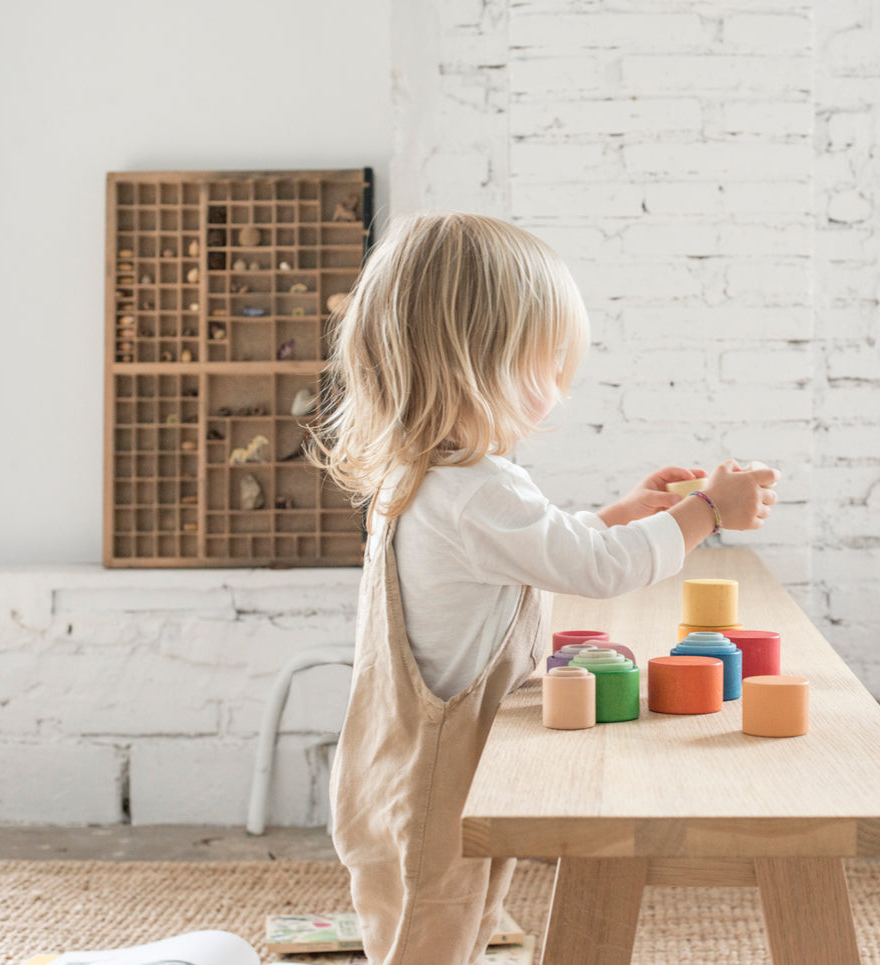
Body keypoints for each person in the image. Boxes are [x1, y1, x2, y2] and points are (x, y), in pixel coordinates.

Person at [312, 211, 778, 965]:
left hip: (396, 753)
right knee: (438, 920)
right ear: (478, 361)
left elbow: (541, 548)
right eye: (548, 364)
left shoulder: (427, 476)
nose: (560, 390)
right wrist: (705, 513)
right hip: (437, 767)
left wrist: (618, 514)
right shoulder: (478, 488)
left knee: (430, 916)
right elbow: (599, 570)